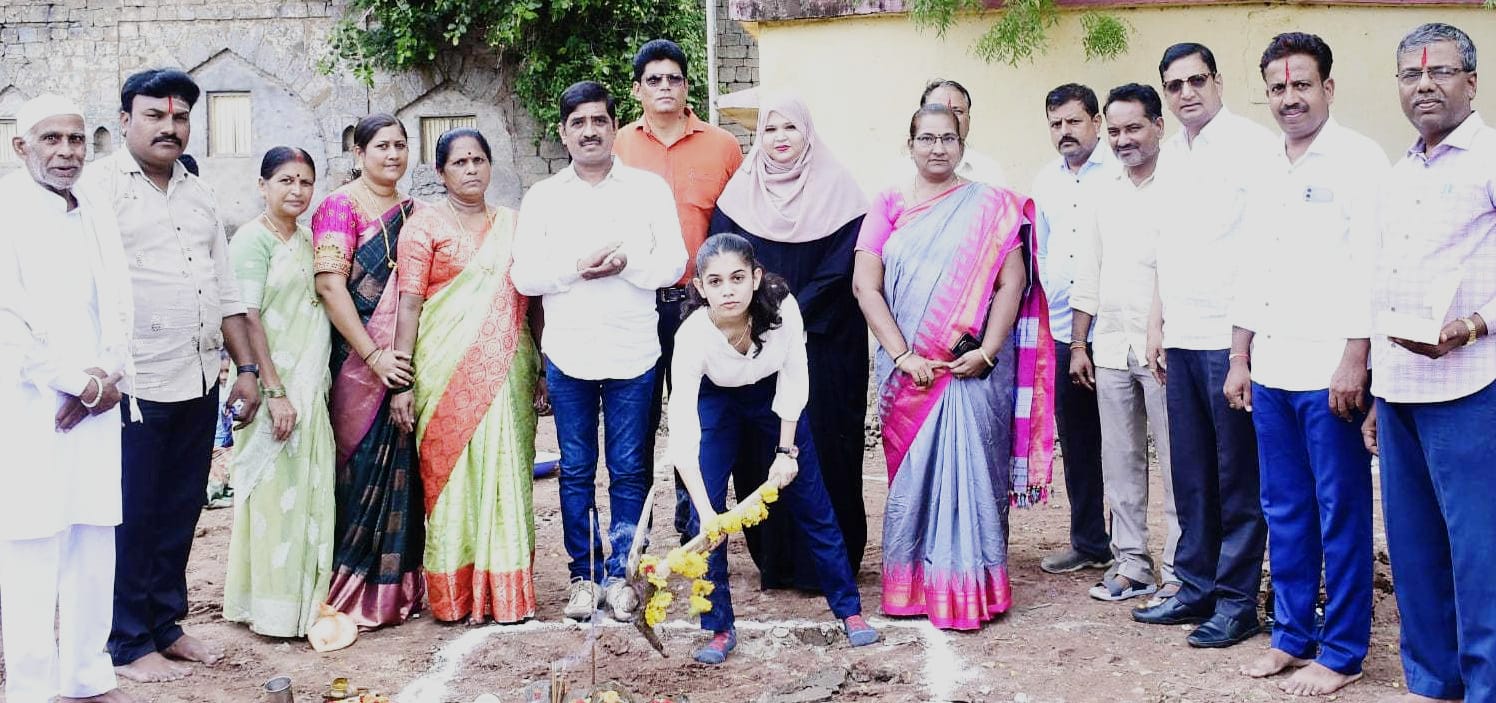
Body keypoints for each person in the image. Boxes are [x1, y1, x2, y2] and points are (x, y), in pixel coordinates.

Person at [77, 68, 261, 683]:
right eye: (155, 115)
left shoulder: (198, 191)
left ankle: (166, 624)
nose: (170, 127)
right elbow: (78, 289)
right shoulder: (97, 189)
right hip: (131, 384)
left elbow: (225, 288)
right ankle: (127, 642)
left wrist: (246, 369)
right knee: (133, 513)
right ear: (124, 120)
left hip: (198, 374)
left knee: (181, 508)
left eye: (180, 117)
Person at [1224, 33, 1386, 697]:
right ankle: (1291, 634)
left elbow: (1372, 267)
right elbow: (1250, 267)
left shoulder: (1360, 160)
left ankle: (1342, 649)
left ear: (1328, 88)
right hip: (1271, 367)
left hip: (1330, 373)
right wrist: (1239, 355)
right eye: (1278, 87)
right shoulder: (1264, 166)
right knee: (1284, 507)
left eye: (1301, 85)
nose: (1289, 98)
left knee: (1339, 509)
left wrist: (1355, 357)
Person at [853, 104, 1055, 630]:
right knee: (913, 480)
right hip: (909, 374)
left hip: (973, 369)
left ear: (963, 145)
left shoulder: (992, 205)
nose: (937, 148)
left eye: (948, 138)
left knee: (976, 475)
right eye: (927, 138)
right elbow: (865, 286)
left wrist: (988, 350)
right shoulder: (889, 202)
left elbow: (1013, 281)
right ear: (910, 144)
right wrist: (903, 355)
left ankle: (973, 590)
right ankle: (911, 587)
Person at [513, 81, 686, 622]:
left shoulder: (648, 190)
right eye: (578, 123)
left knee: (630, 468)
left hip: (635, 352)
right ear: (563, 133)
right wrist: (575, 269)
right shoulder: (543, 197)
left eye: (599, 121)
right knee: (576, 469)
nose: (589, 131)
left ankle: (622, 575)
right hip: (569, 355)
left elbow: (674, 264)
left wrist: (627, 264)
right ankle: (584, 577)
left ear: (615, 127)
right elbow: (524, 275)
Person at [668, 233, 880, 663]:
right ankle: (719, 628)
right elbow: (683, 429)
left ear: (756, 277)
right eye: (715, 282)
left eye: (737, 278)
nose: (728, 290)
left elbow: (794, 375)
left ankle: (849, 611)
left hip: (772, 396)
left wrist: (786, 452)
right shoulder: (691, 336)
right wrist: (706, 512)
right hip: (717, 399)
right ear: (700, 287)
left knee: (813, 502)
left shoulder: (783, 309)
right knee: (704, 518)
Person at [1363, 22, 1496, 703]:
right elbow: (1381, 281)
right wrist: (1374, 388)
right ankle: (1433, 680)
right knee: (1414, 550)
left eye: (1440, 72)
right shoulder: (1399, 174)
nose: (1424, 85)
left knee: (1478, 551)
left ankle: (1485, 685)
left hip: (1471, 384)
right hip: (1401, 388)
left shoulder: (1489, 159)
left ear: (1471, 81)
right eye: (1412, 74)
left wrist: (1472, 326)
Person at [1131, 42, 1276, 649]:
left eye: (1196, 80)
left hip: (1229, 337)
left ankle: (1238, 601)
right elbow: (1165, 249)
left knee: (1236, 475)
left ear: (1217, 81)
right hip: (1183, 337)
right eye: (1175, 85)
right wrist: (1157, 326)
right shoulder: (1173, 156)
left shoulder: (1252, 147)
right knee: (1190, 472)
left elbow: (1263, 248)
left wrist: (1244, 348)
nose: (1186, 92)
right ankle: (1194, 587)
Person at [0, 94, 136, 703]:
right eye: (51, 139)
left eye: (76, 139)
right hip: (32, 407)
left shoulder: (94, 206)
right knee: (31, 547)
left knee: (93, 541)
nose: (66, 152)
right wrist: (78, 385)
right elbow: (8, 320)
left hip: (98, 405)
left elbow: (120, 300)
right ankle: (30, 690)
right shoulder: (7, 209)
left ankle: (86, 678)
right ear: (21, 146)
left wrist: (107, 376)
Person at [707, 94, 870, 589]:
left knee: (824, 445)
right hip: (756, 345)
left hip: (825, 343)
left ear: (808, 133)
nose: (780, 138)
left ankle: (831, 560)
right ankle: (776, 560)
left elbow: (844, 266)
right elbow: (722, 261)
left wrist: (786, 312)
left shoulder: (840, 190)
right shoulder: (739, 195)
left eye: (790, 128)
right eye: (770, 129)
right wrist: (761, 318)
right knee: (762, 447)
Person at [391, 128, 547, 625]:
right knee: (451, 476)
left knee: (508, 468)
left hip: (509, 366)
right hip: (441, 370)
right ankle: (454, 594)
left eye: (479, 160)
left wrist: (543, 366)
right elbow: (410, 303)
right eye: (460, 162)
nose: (471, 169)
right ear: (441, 172)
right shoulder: (422, 227)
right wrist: (402, 380)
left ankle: (507, 591)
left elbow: (533, 300)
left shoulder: (515, 225)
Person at [613, 38, 744, 546]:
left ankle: (696, 527)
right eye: (654, 80)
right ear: (637, 90)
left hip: (701, 307)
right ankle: (635, 533)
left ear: (687, 86)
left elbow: (738, 229)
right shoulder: (618, 148)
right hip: (636, 305)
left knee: (700, 416)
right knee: (637, 419)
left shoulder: (722, 146)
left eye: (674, 78)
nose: (665, 87)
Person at [311, 113, 425, 629]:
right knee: (357, 471)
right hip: (355, 364)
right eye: (382, 146)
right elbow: (329, 286)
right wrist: (374, 356)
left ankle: (397, 590)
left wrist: (396, 360)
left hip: (401, 360)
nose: (393, 155)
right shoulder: (340, 207)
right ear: (358, 153)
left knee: (403, 470)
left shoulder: (414, 212)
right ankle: (350, 587)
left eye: (400, 145)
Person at [1069, 84, 1181, 604]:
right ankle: (1132, 564)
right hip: (1112, 345)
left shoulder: (1180, 182)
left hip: (1166, 346)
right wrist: (1079, 343)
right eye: (1114, 131)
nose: (1122, 139)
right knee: (1119, 460)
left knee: (1179, 461)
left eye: (1134, 128)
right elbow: (1088, 270)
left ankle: (1182, 569)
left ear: (1159, 125)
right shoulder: (1103, 189)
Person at [222, 147, 337, 638]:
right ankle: (269, 610)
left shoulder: (310, 240)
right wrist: (274, 391)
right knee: (274, 500)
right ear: (262, 185)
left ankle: (305, 605)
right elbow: (247, 317)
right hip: (275, 389)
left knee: (310, 494)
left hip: (312, 388)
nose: (297, 190)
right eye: (286, 180)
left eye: (305, 182)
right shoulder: (252, 240)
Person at [1031, 83, 1115, 577]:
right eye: (1056, 123)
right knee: (1079, 441)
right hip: (1064, 332)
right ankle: (1089, 541)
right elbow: (1043, 252)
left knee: (1123, 442)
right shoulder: (1046, 181)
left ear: (1096, 122)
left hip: (1116, 330)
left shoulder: (1120, 170)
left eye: (1074, 121)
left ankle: (1132, 547)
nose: (1065, 131)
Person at [884, 79, 1007, 189]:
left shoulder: (989, 172)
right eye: (937, 109)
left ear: (969, 120)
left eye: (957, 111)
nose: (948, 118)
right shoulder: (899, 172)